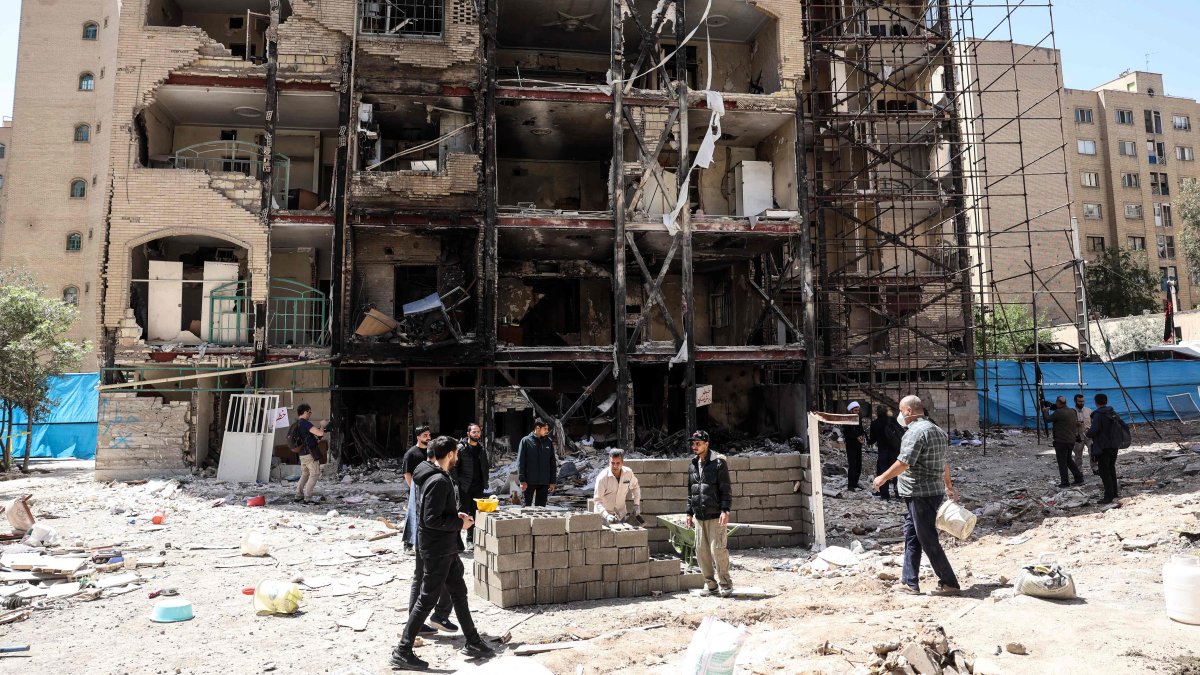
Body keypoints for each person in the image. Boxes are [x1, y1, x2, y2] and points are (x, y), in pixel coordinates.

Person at [391, 436, 495, 670]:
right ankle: (403, 650)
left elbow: (436, 513)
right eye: (456, 453)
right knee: (427, 598)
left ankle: (473, 641)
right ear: (449, 454)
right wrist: (460, 525)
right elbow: (430, 519)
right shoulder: (438, 480)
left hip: (443, 546)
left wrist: (455, 516)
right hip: (437, 548)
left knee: (459, 591)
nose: (458, 456)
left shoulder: (429, 473)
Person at [873, 395, 962, 596]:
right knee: (912, 536)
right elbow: (944, 462)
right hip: (932, 491)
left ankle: (949, 582)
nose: (899, 414)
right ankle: (909, 581)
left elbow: (905, 462)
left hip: (919, 493)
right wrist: (948, 484)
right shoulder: (937, 431)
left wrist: (883, 478)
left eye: (900, 410)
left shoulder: (915, 432)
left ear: (909, 411)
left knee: (927, 539)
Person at [686, 430, 733, 597]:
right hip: (700, 517)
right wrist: (689, 513)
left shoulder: (719, 463)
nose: (694, 446)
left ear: (707, 444)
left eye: (698, 443)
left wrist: (725, 510)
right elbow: (691, 492)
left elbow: (725, 489)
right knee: (701, 552)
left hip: (715, 516)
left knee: (718, 551)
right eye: (693, 444)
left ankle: (725, 584)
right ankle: (711, 585)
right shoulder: (692, 464)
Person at [1087, 393, 1128, 504]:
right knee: (1111, 468)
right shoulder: (1112, 412)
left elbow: (1094, 430)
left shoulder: (1098, 414)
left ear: (1096, 402)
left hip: (1103, 446)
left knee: (1104, 471)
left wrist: (1087, 432)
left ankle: (1108, 496)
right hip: (1114, 445)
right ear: (1106, 401)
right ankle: (1114, 492)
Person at [453, 423, 490, 544]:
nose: (477, 434)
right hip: (464, 487)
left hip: (478, 487)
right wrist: (458, 482)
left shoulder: (481, 449)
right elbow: (453, 467)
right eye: (474, 432)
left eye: (478, 432)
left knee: (474, 514)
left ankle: (470, 540)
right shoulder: (461, 448)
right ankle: (457, 541)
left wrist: (485, 482)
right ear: (468, 434)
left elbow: (485, 467)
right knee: (461, 513)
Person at [402, 426, 432, 554]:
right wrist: (414, 489)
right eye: (425, 435)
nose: (428, 437)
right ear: (418, 437)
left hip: (429, 490)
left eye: (429, 435)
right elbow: (407, 474)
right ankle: (408, 546)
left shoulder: (432, 452)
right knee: (412, 517)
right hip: (416, 491)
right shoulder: (411, 453)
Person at [1042, 396, 1084, 487]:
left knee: (1062, 462)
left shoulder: (1059, 412)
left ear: (1058, 402)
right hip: (1071, 440)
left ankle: (1065, 482)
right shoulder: (1072, 411)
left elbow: (1048, 419)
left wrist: (1045, 411)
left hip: (1061, 441)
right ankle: (1079, 478)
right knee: (1069, 460)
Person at [593, 448, 642, 524]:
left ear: (622, 463)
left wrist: (636, 505)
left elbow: (635, 487)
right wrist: (606, 515)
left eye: (618, 463)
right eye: (612, 463)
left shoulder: (628, 473)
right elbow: (597, 500)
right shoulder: (602, 478)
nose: (615, 466)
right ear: (609, 462)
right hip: (604, 516)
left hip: (620, 515)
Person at [292, 404, 327, 503]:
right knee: (315, 474)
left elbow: (311, 438)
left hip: (302, 454)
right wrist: (322, 425)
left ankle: (298, 495)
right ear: (306, 412)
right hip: (309, 454)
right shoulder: (305, 423)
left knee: (305, 474)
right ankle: (307, 497)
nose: (310, 414)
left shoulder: (296, 424)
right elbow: (320, 433)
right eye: (310, 412)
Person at [517, 419, 556, 506]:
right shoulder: (526, 441)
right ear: (538, 428)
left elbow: (552, 462)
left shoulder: (548, 442)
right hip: (529, 482)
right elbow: (520, 462)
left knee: (541, 509)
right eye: (545, 429)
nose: (547, 431)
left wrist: (552, 481)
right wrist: (522, 480)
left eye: (547, 429)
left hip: (544, 482)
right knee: (526, 507)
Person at [868, 405, 903, 499]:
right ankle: (898, 493)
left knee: (883, 472)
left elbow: (872, 440)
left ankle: (884, 494)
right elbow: (901, 433)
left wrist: (867, 440)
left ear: (877, 413)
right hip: (895, 450)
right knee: (896, 471)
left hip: (883, 451)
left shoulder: (875, 423)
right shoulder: (893, 421)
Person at [844, 402, 866, 490]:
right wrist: (856, 437)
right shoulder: (847, 421)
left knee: (859, 464)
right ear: (851, 411)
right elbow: (847, 434)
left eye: (858, 410)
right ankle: (850, 485)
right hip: (851, 445)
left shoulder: (858, 419)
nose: (857, 412)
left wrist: (862, 437)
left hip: (858, 445)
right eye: (855, 410)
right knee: (852, 464)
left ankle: (855, 482)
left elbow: (861, 430)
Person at [1073, 394, 1095, 474]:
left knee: (1092, 452)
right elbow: (1068, 424)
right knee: (1078, 454)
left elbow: (1094, 422)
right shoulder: (1072, 411)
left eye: (1082, 401)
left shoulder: (1089, 410)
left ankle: (1095, 468)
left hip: (1089, 435)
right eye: (1079, 401)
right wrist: (1075, 424)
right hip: (1078, 436)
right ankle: (1079, 470)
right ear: (1075, 401)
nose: (1081, 403)